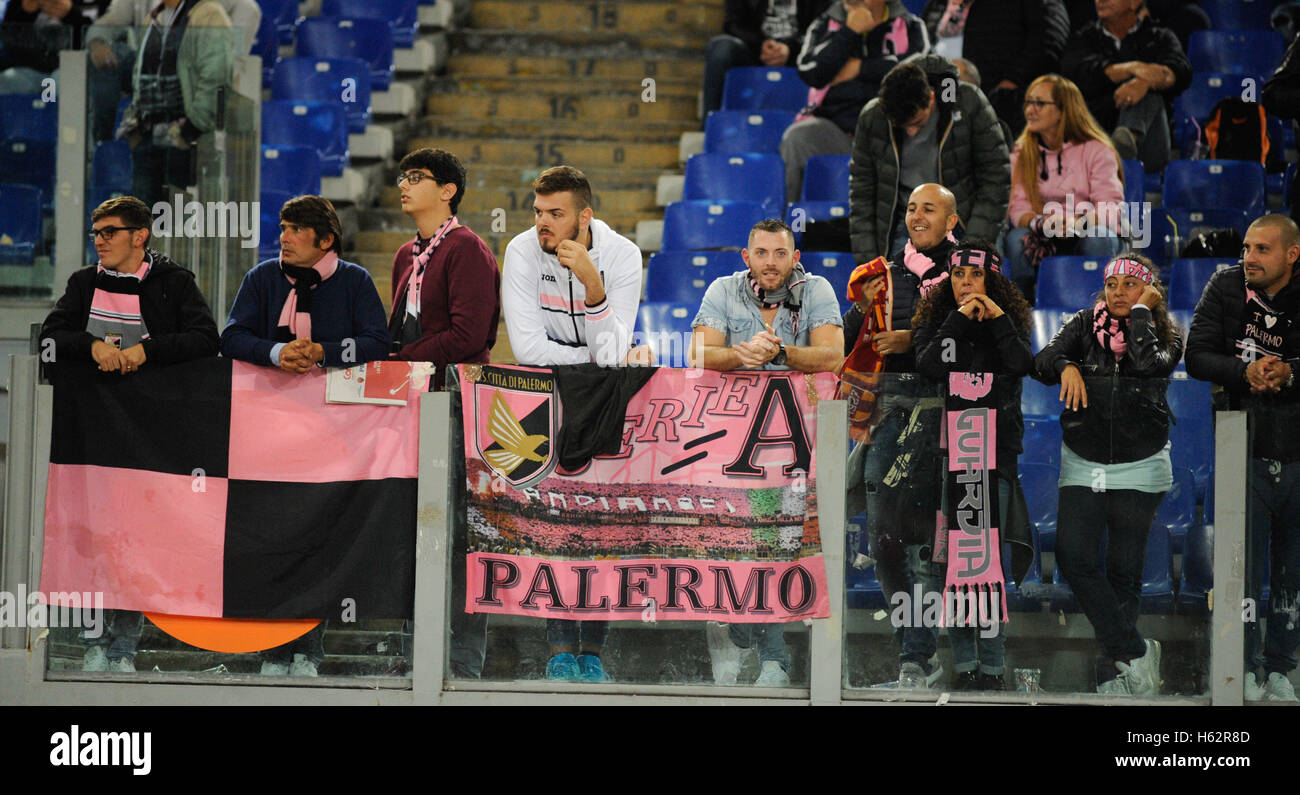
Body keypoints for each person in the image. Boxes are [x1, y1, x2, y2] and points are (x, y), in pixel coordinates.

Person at [40, 195, 220, 673]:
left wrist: (148, 351)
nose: (99, 241)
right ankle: (93, 644)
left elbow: (207, 339)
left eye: (110, 232)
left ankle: (123, 648)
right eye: (96, 233)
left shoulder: (175, 282)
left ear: (140, 236)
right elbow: (51, 338)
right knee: (92, 539)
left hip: (151, 438)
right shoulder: (83, 282)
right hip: (88, 438)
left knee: (137, 541)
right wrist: (93, 345)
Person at [500, 165, 650, 683]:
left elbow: (611, 355)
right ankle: (560, 647)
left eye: (556, 214)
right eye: (539, 212)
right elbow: (526, 350)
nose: (543, 223)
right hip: (545, 398)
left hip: (605, 399)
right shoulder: (521, 251)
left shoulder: (624, 255)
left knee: (600, 524)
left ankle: (596, 652)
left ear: (585, 216)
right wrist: (595, 352)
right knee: (554, 523)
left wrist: (591, 281)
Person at [688, 218, 844, 686]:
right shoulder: (724, 288)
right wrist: (741, 354)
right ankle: (750, 642)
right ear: (747, 257)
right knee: (739, 542)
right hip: (732, 446)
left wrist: (776, 353)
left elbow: (833, 355)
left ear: (795, 258)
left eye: (780, 254)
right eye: (762, 253)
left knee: (776, 543)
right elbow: (697, 353)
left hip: (799, 447)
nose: (771, 263)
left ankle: (769, 654)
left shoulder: (816, 289)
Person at [1032, 253, 1181, 695]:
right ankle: (1135, 653)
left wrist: (1140, 316)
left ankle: (1117, 676)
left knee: (1124, 572)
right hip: (1085, 462)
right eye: (1111, 284)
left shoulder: (1168, 334)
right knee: (1075, 558)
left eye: (1129, 286)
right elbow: (1040, 360)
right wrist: (1067, 364)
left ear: (1149, 292)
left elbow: (1147, 365)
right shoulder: (1082, 324)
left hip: (1141, 465)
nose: (1117, 292)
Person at [388, 147, 499, 679]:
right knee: (414, 530)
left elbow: (469, 337)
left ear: (448, 190)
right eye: (402, 176)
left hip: (455, 405)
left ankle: (461, 664)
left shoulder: (466, 249)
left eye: (417, 177)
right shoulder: (405, 255)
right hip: (411, 404)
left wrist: (394, 360)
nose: (404, 185)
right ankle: (414, 656)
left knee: (456, 533)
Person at [843, 182, 956, 689]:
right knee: (883, 535)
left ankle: (921, 656)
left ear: (950, 220)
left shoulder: (972, 270)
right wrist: (862, 311)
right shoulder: (884, 273)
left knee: (931, 541)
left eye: (928, 209)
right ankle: (910, 648)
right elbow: (849, 339)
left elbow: (991, 341)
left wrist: (916, 339)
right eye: (910, 208)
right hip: (887, 413)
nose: (916, 215)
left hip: (946, 414)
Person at [1186, 214, 1300, 702]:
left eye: (1262, 250)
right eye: (1247, 248)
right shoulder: (1225, 285)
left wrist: (1290, 374)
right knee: (1243, 567)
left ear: (1291, 255)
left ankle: (1280, 669)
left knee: (1293, 571)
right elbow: (1195, 355)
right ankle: (1244, 668)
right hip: (1242, 446)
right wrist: (1244, 372)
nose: (1248, 257)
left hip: (1297, 449)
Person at [911, 238, 1033, 690]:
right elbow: (928, 364)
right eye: (958, 275)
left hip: (995, 456)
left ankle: (995, 667)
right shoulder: (943, 321)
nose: (965, 283)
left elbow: (1022, 363)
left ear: (993, 279)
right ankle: (964, 666)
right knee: (955, 563)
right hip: (951, 456)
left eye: (975, 275)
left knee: (987, 563)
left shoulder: (1010, 323)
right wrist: (958, 319)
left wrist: (997, 320)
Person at [848, 56, 1009, 265]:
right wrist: (869, 263)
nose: (911, 132)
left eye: (917, 122)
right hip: (905, 222)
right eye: (903, 126)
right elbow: (862, 192)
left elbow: (995, 177)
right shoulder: (874, 116)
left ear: (932, 97)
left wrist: (975, 242)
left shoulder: (968, 103)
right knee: (901, 294)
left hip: (963, 218)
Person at [780, 0, 928, 201]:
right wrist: (849, 32)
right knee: (797, 138)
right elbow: (811, 72)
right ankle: (792, 226)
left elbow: (920, 70)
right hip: (837, 131)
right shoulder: (825, 24)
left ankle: (906, 227)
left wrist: (860, 68)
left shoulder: (911, 25)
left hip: (891, 130)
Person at [99, 0, 239, 206]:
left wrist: (191, 130)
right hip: (148, 138)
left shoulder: (209, 15)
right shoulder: (152, 17)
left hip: (186, 140)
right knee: (144, 224)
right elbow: (141, 76)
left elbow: (216, 78)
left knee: (178, 226)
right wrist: (134, 129)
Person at [1003, 73, 1126, 301]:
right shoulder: (1021, 153)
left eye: (1039, 103)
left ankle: (1098, 306)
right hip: (1043, 232)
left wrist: (1078, 222)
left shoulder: (1097, 150)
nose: (1030, 110)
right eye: (1028, 102)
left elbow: (1111, 208)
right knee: (1015, 240)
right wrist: (1039, 223)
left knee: (1097, 238)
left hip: (1087, 228)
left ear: (1063, 109)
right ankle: (1024, 311)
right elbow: (1017, 207)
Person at [1059, 0, 1191, 173]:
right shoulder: (1084, 38)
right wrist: (1133, 68)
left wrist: (1143, 83)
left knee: (1148, 96)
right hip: (1097, 135)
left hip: (1148, 148)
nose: (1100, 0)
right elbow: (1076, 73)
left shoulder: (1159, 37)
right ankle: (1118, 146)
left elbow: (1181, 72)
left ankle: (1125, 142)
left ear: (1134, 2)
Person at [920, 0, 1070, 138]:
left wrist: (1011, 82)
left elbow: (1050, 37)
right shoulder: (936, 5)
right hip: (940, 115)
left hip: (1001, 114)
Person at [701, 0, 829, 120]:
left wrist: (790, 50)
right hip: (754, 52)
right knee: (721, 47)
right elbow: (732, 24)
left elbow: (824, 26)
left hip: (803, 55)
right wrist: (761, 45)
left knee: (831, 50)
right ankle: (709, 129)